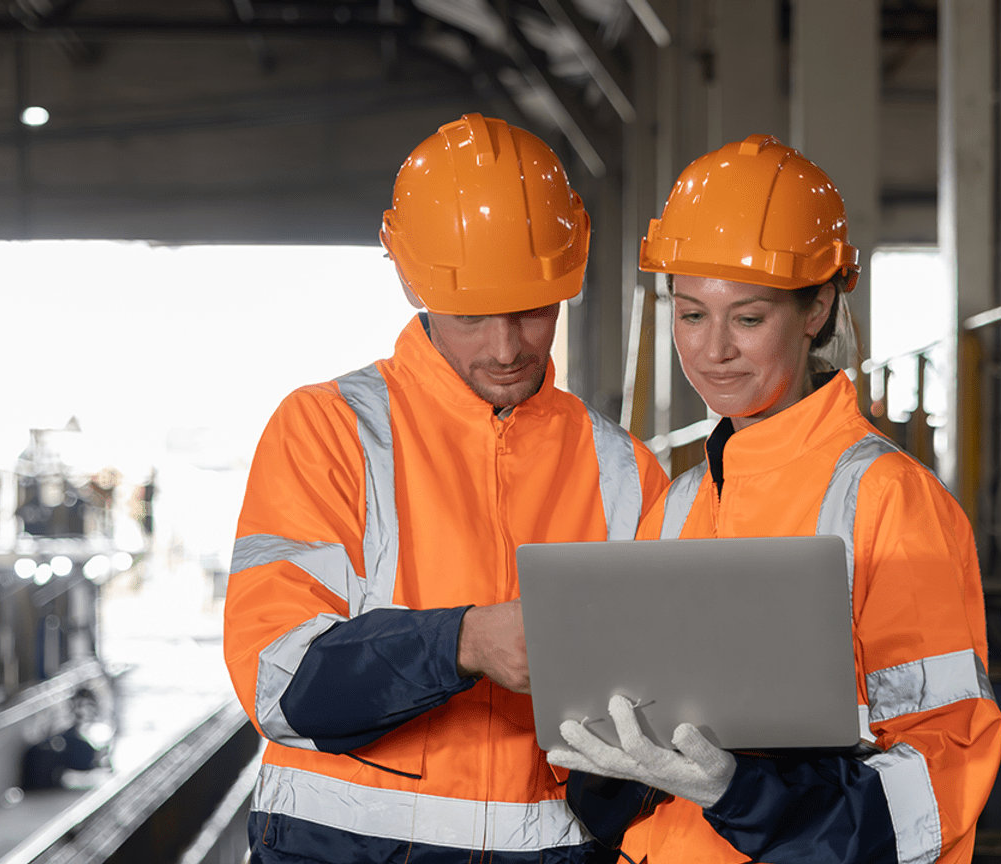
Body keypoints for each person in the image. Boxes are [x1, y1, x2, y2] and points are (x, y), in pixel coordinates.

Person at [223, 113, 669, 863]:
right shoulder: (328, 431)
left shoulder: (622, 468)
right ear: (408, 280)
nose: (506, 348)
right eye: (471, 316)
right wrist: (462, 642)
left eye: (532, 310)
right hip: (339, 851)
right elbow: (281, 683)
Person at [549, 134, 1001, 864]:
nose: (712, 349)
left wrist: (743, 793)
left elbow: (943, 768)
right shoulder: (679, 504)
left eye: (748, 318)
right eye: (691, 313)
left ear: (818, 307)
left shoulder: (888, 499)